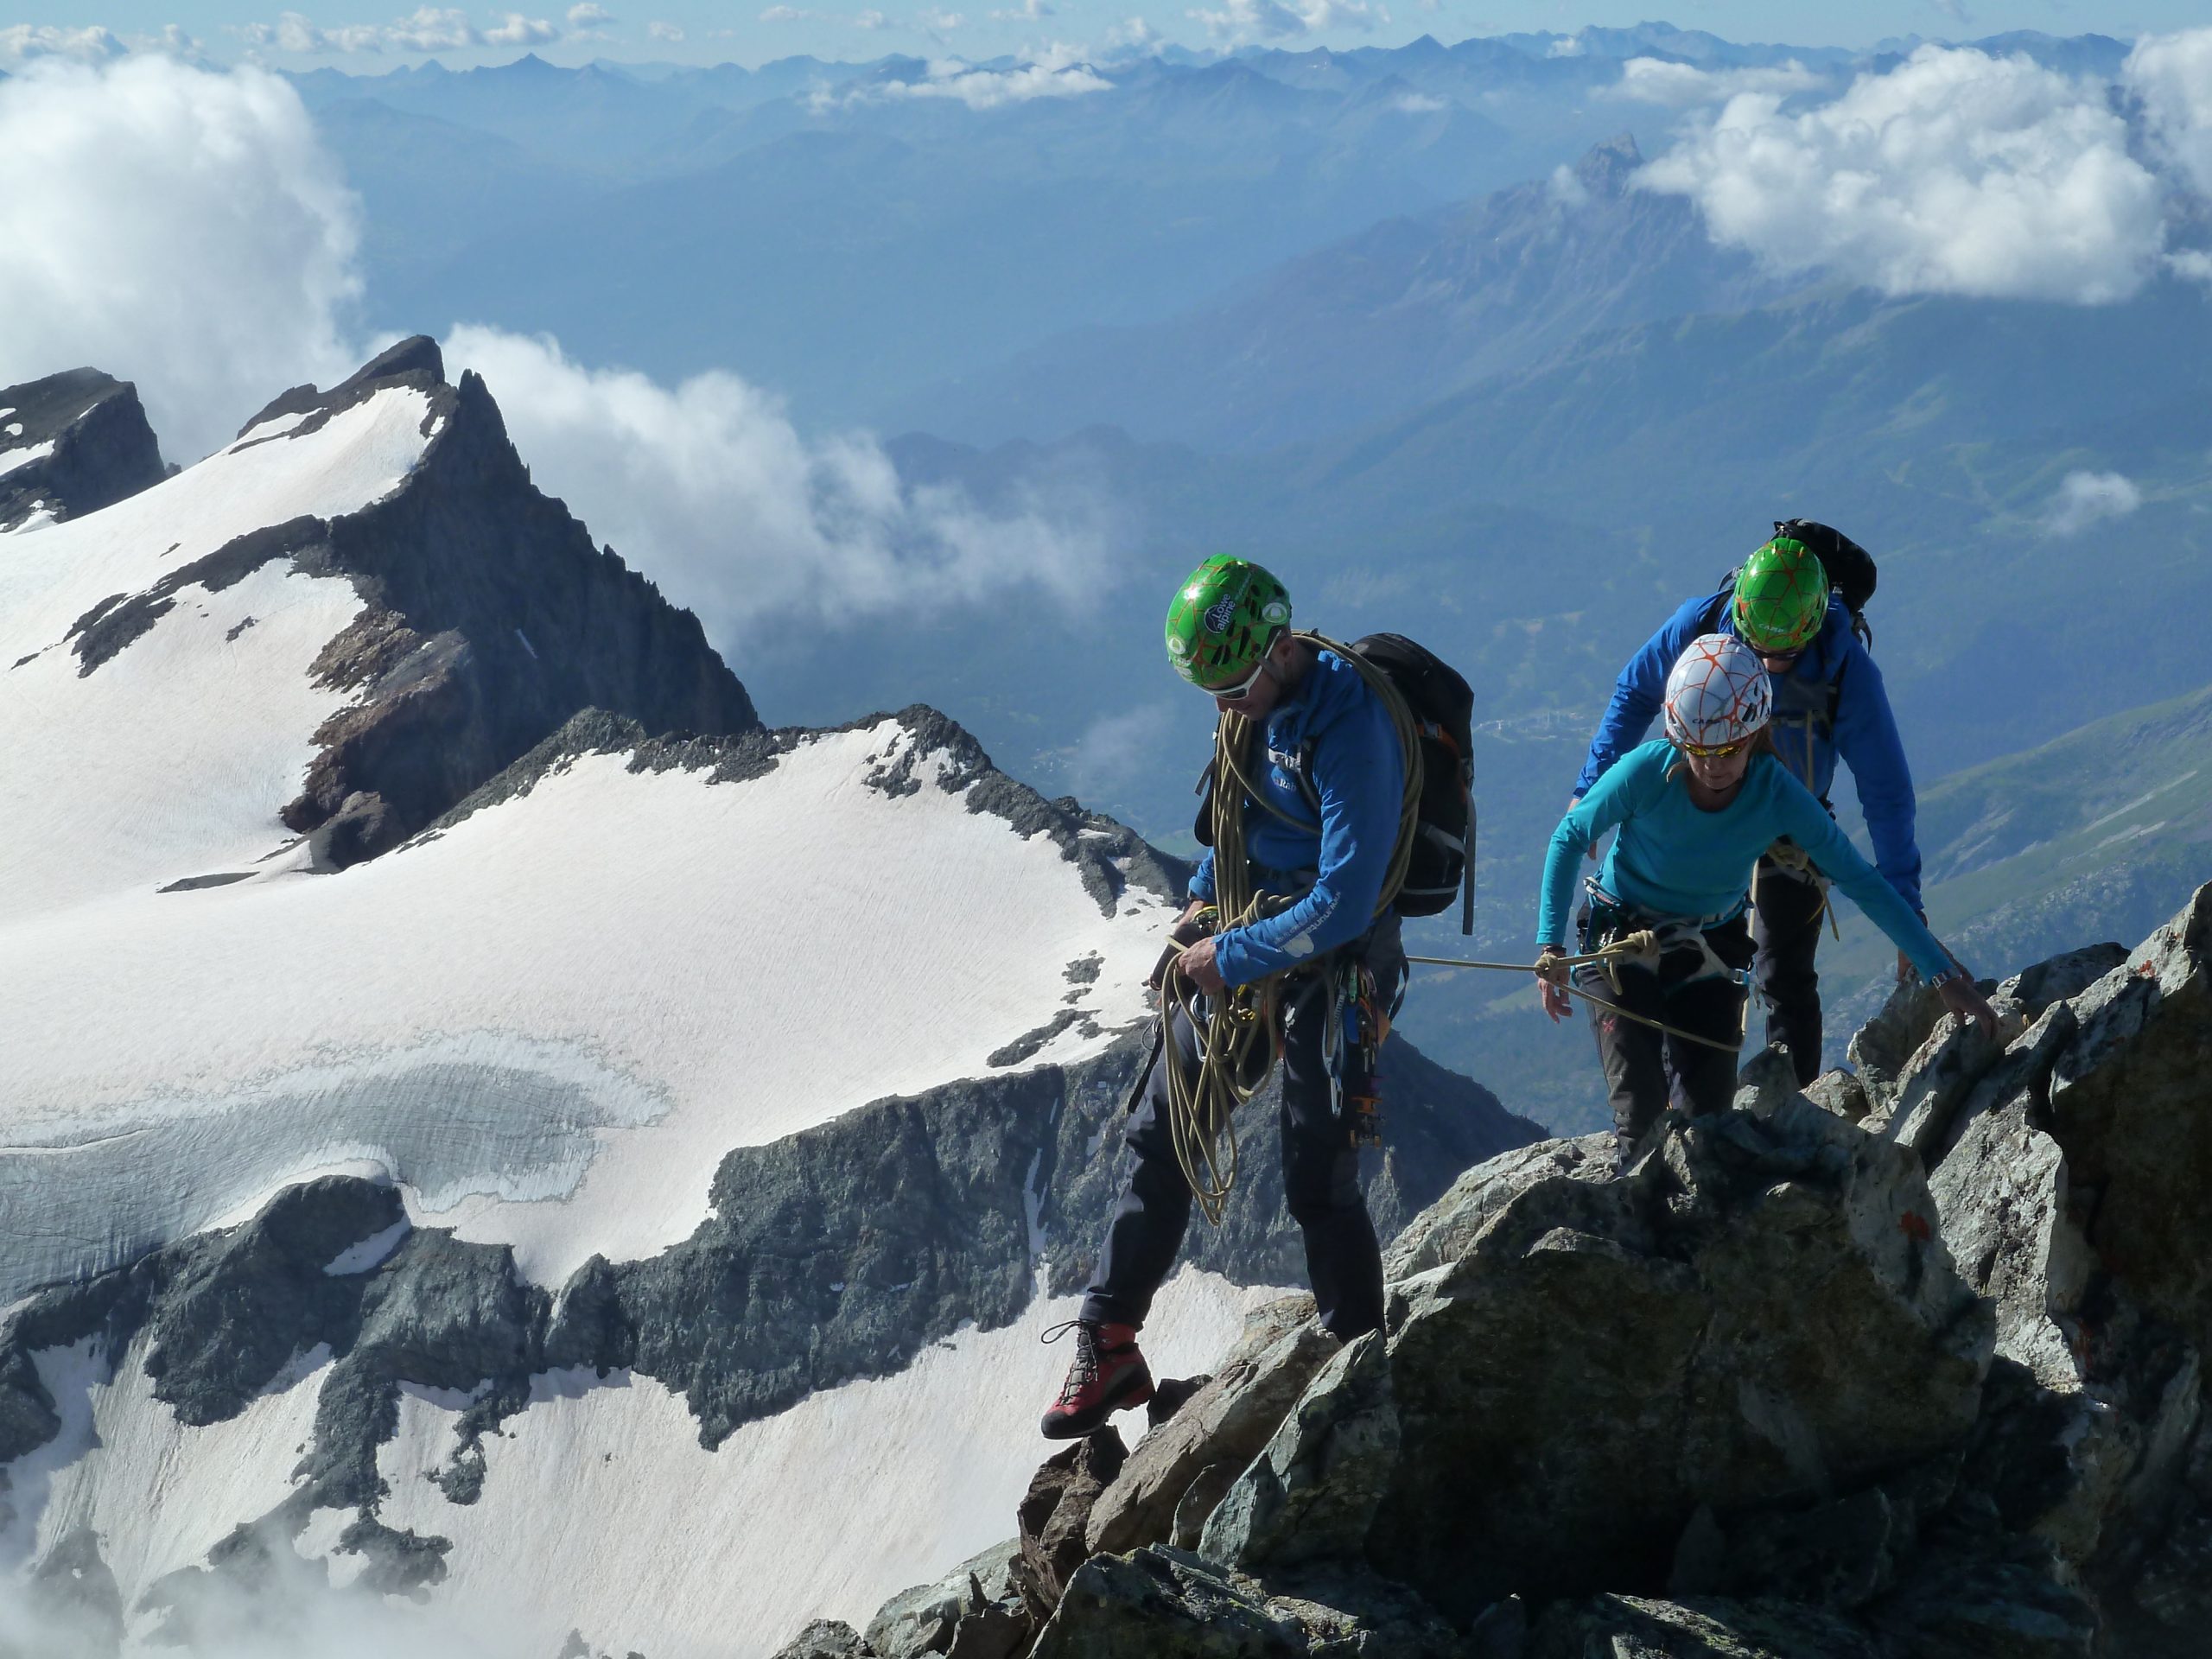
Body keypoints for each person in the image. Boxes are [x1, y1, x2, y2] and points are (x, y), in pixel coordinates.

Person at [1040, 554, 1407, 1440]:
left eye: (1234, 684)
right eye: (1208, 689)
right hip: (1247, 938)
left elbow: (1347, 900)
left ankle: (1360, 1363)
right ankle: (1110, 1339)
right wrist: (1200, 907)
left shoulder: (1350, 728)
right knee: (1161, 1129)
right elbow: (1232, 822)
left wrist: (1230, 955)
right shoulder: (1250, 713)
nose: (1221, 705)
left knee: (1317, 1171)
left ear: (1282, 649)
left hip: (1336, 958)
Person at [1536, 633, 1996, 1162]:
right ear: (1678, 737)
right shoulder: (1648, 769)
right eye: (1699, 750)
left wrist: (1940, 973)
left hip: (1707, 948)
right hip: (1619, 939)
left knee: (1706, 1128)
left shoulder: (1776, 792)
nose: (1712, 766)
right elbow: (1569, 837)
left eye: (1729, 750)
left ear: (1756, 732)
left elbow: (1859, 878)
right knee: (1640, 1116)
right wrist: (1549, 945)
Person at [1572, 531, 1923, 1084]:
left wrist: (1905, 905)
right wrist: (1590, 788)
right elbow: (1638, 692)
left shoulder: (1845, 666)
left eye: (1784, 654)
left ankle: (1793, 1109)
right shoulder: (1700, 622)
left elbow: (1886, 791)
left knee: (1784, 975)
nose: (1769, 662)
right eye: (1758, 647)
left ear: (1812, 628)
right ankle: (1687, 1104)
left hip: (1786, 826)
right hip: (1698, 807)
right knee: (1682, 961)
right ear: (1739, 611)